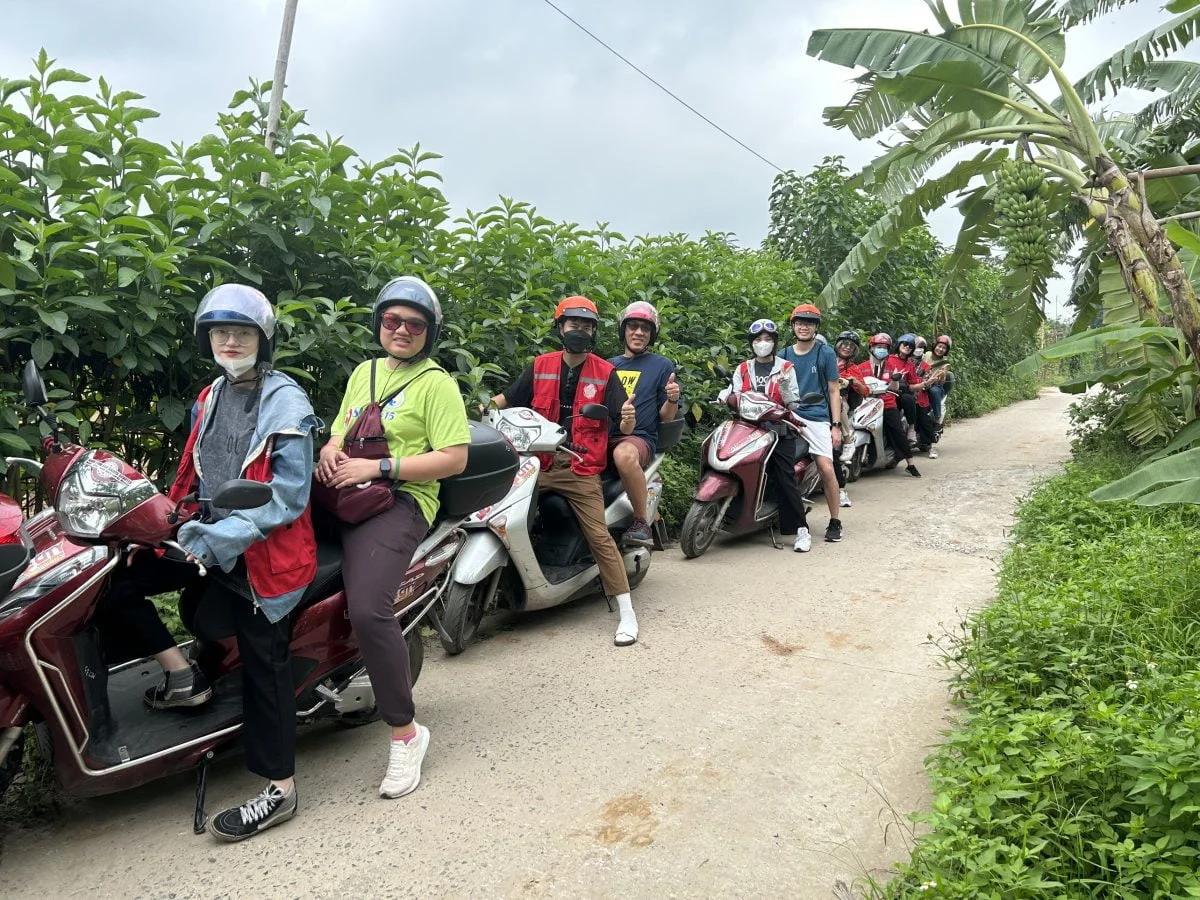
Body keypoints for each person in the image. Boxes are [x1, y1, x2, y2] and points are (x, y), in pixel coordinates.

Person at [99, 283, 322, 841]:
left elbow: (288, 497)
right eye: (221, 332)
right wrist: (157, 523)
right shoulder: (209, 396)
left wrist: (217, 540)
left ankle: (281, 788)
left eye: (242, 332)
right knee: (114, 583)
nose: (230, 340)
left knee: (262, 657)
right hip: (204, 535)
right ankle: (183, 677)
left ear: (262, 340)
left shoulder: (288, 404)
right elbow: (192, 475)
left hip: (266, 552)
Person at [316, 276, 470, 801]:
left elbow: (454, 458)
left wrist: (378, 467)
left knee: (368, 608)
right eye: (392, 321)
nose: (401, 330)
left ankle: (406, 732)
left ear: (429, 332)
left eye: (414, 324)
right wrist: (331, 451)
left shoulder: (437, 383)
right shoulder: (365, 372)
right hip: (345, 489)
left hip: (402, 501)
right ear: (379, 323)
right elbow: (341, 427)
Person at [490, 295, 641, 645]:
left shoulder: (607, 372)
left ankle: (627, 613)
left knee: (599, 537)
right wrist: (477, 407)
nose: (580, 331)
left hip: (580, 466)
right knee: (492, 509)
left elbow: (624, 424)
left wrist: (630, 421)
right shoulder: (541, 364)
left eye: (587, 326)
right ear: (560, 328)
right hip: (536, 463)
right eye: (574, 324)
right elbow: (509, 398)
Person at [726, 318, 813, 551]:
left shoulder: (786, 368)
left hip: (778, 430)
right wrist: (724, 396)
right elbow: (734, 392)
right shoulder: (742, 368)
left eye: (767, 339)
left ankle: (802, 530)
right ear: (751, 343)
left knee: (785, 477)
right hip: (748, 429)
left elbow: (793, 403)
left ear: (774, 343)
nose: (762, 343)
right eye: (758, 339)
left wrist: (784, 387)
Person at [608, 300, 681, 547]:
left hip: (638, 438)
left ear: (652, 335)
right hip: (602, 436)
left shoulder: (661, 365)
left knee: (624, 455)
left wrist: (672, 399)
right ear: (623, 330)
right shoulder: (608, 365)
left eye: (645, 328)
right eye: (633, 326)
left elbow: (666, 417)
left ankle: (640, 522)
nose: (639, 332)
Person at [777, 304, 845, 543]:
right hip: (788, 415)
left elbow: (834, 389)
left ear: (816, 327)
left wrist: (835, 425)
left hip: (816, 416)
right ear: (793, 326)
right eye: (799, 322)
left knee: (826, 468)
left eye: (809, 322)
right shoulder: (783, 354)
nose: (803, 326)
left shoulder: (824, 353)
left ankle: (835, 520)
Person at [866, 332, 921, 477]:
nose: (881, 350)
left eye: (884, 347)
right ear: (871, 347)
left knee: (897, 430)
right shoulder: (862, 367)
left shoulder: (891, 366)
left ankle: (910, 463)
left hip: (887, 402)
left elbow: (895, 388)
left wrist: (895, 380)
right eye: (878, 346)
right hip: (866, 403)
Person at [833, 330, 870, 509]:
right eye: (844, 344)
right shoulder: (826, 361)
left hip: (842, 405)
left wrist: (854, 381)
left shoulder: (853, 368)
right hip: (818, 404)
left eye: (850, 346)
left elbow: (865, 392)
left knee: (838, 401)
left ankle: (847, 439)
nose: (846, 348)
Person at [895, 334, 937, 451]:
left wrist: (925, 383)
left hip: (918, 394)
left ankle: (927, 441)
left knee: (923, 414)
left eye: (922, 347)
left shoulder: (924, 366)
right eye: (918, 346)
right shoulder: (895, 360)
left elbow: (921, 382)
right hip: (896, 392)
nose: (919, 349)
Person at [927, 334, 956, 431]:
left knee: (934, 391)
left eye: (944, 348)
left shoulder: (945, 362)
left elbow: (942, 380)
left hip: (935, 384)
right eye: (939, 346)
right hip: (921, 382)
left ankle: (937, 420)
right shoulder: (926, 355)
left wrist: (940, 376)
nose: (940, 349)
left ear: (946, 351)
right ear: (935, 346)